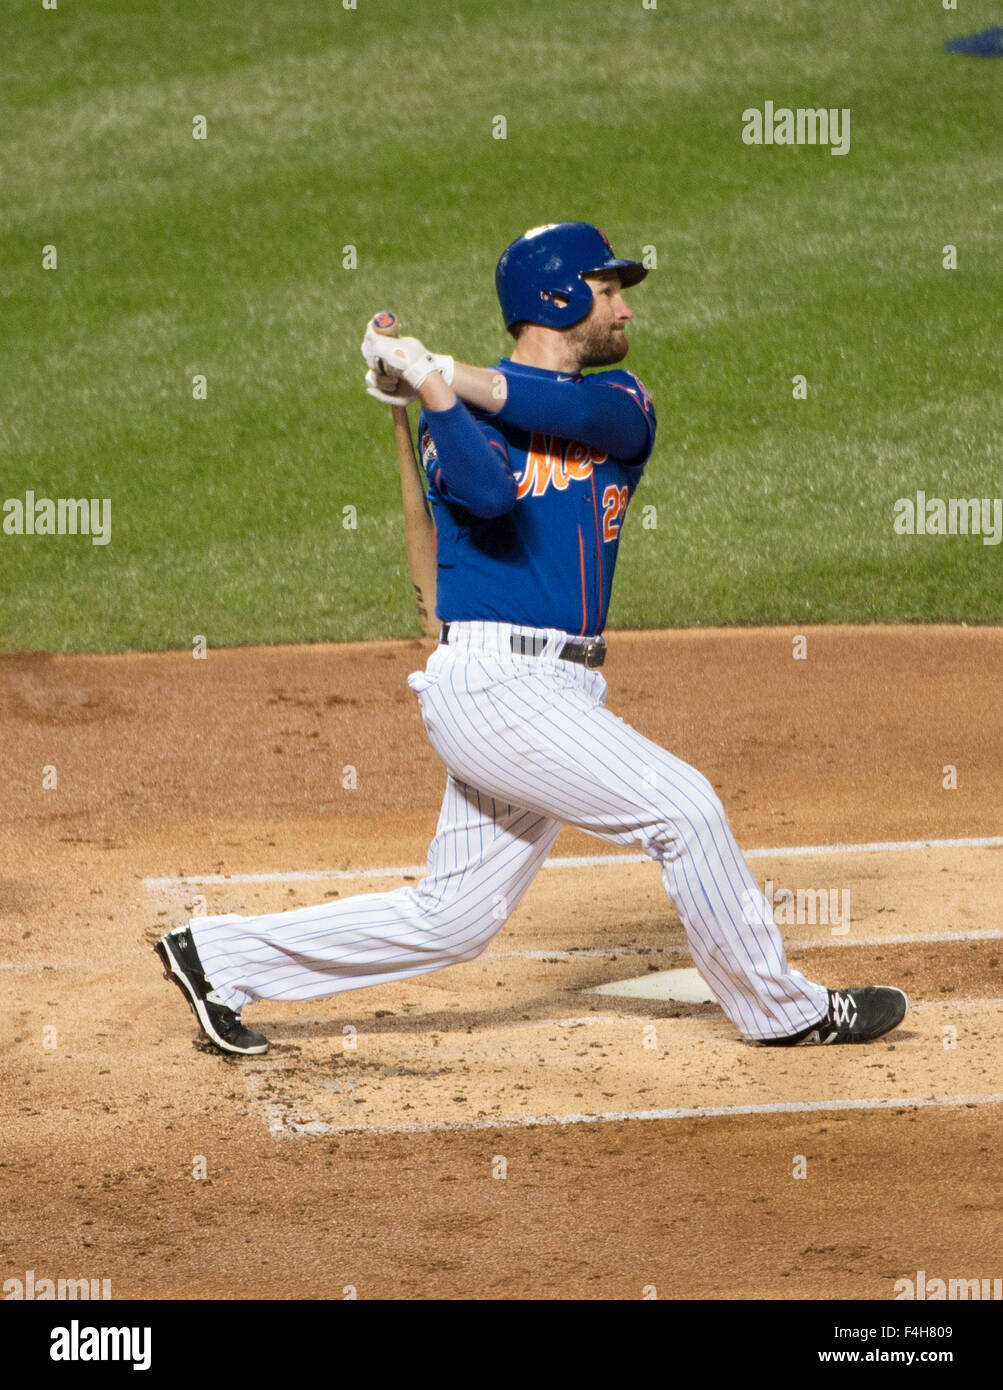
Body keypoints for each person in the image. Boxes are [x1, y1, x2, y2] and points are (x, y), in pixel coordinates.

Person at [155, 222, 907, 1056]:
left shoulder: (620, 402)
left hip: (561, 691)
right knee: (683, 809)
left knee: (453, 919)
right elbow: (488, 495)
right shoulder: (448, 423)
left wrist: (434, 372)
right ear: (557, 296)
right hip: (494, 686)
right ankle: (782, 1010)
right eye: (607, 289)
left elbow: (565, 408)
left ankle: (216, 957)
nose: (623, 308)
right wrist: (431, 391)